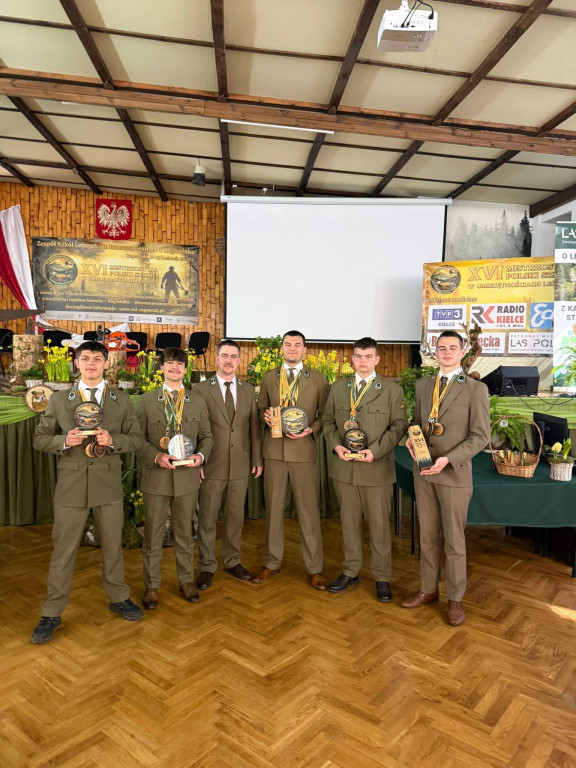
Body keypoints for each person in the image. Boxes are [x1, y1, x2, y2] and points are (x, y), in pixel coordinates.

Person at [31, 341, 144, 644]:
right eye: (85, 358)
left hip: (107, 484)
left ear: (107, 363)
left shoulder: (121, 400)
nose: (91, 363)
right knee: (63, 551)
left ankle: (119, 597)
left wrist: (114, 439)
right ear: (76, 363)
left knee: (112, 547)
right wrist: (64, 441)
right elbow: (40, 439)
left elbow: (135, 439)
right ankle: (52, 612)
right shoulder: (58, 400)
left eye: (97, 358)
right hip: (71, 485)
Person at [402, 330, 490, 626]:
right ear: (434, 352)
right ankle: (428, 590)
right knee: (427, 536)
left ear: (463, 352)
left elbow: (480, 436)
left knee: (454, 540)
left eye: (453, 347)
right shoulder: (424, 384)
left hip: (453, 474)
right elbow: (416, 422)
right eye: (442, 348)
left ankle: (455, 599)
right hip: (424, 472)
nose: (447, 352)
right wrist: (411, 440)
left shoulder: (475, 390)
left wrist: (447, 459)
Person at [323, 337, 408, 602]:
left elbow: (399, 426)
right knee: (348, 524)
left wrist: (377, 450)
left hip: (376, 469)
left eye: (368, 356)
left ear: (377, 359)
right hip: (345, 469)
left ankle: (382, 577)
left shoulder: (392, 391)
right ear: (352, 359)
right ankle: (350, 571)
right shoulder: (338, 388)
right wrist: (336, 446)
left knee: (379, 527)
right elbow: (327, 422)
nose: (363, 361)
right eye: (358, 356)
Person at [136, 347, 213, 609]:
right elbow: (138, 439)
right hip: (157, 477)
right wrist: (155, 457)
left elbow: (207, 437)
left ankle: (186, 580)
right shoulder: (146, 401)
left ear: (185, 369)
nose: (174, 368)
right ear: (161, 368)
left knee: (184, 533)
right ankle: (152, 585)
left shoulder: (197, 401)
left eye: (179, 364)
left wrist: (200, 458)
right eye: (169, 363)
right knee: (153, 535)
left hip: (187, 478)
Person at [253, 330, 328, 590]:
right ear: (282, 349)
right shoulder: (269, 378)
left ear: (304, 349)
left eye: (297, 345)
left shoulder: (317, 379)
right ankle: (271, 562)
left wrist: (312, 429)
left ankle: (315, 568)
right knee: (273, 509)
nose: (292, 349)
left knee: (308, 511)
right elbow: (262, 407)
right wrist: (265, 416)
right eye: (288, 344)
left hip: (303, 452)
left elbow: (324, 415)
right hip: (274, 451)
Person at [195, 339, 263, 589]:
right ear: (216, 359)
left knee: (235, 517)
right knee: (208, 518)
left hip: (240, 465)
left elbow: (253, 428)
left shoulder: (247, 389)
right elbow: (195, 430)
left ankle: (233, 560)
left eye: (234, 356)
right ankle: (206, 566)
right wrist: (197, 462)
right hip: (211, 464)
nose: (229, 361)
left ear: (239, 360)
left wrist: (256, 459)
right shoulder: (201, 390)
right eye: (224, 356)